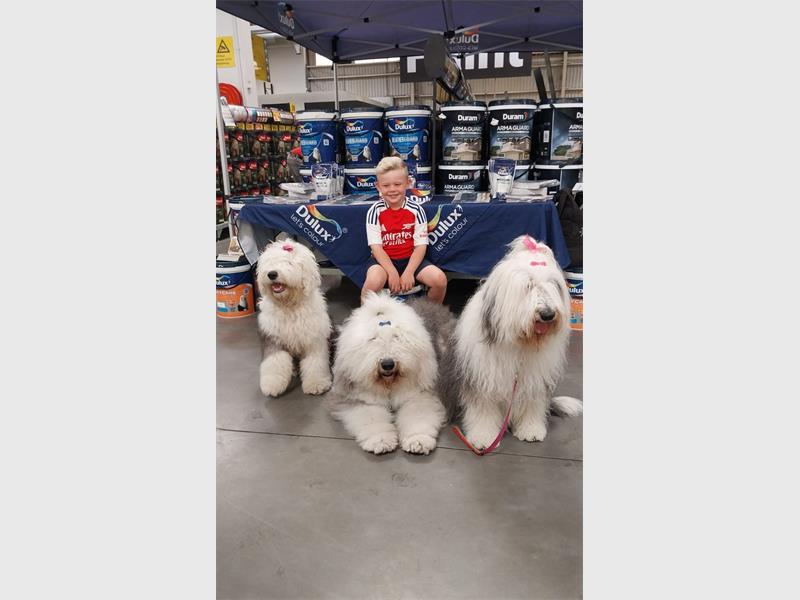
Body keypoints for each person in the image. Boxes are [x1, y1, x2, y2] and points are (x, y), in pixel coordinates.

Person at [362, 156, 448, 304]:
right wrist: (392, 272)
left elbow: (420, 246)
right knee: (372, 283)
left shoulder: (416, 210)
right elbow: (376, 248)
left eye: (397, 184)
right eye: (386, 185)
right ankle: (364, 322)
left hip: (411, 260)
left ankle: (430, 319)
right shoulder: (374, 211)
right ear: (378, 186)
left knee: (439, 280)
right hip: (383, 262)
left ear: (408, 183)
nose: (392, 189)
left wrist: (408, 272)